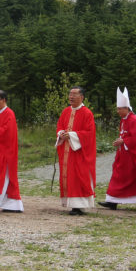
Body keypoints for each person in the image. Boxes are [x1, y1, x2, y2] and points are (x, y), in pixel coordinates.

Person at [98, 88, 136, 211]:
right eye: (117, 109)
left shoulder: (134, 120)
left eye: (119, 109)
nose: (117, 111)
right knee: (118, 176)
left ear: (126, 108)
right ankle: (112, 200)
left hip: (134, 156)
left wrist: (123, 141)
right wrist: (121, 141)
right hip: (125, 155)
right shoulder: (124, 120)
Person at [55, 86, 96, 215]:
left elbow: (89, 133)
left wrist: (72, 135)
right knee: (69, 177)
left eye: (74, 94)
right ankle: (71, 203)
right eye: (70, 94)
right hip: (67, 151)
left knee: (79, 177)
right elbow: (60, 126)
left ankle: (79, 206)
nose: (71, 97)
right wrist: (61, 133)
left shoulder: (87, 113)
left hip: (79, 152)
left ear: (82, 97)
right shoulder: (65, 111)